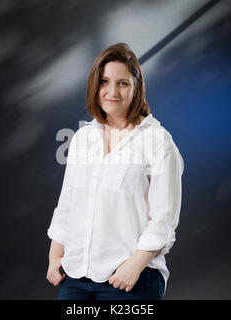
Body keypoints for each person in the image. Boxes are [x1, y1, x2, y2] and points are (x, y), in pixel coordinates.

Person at [46, 43, 184, 300]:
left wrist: (135, 265)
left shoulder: (157, 141)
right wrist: (55, 255)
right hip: (75, 277)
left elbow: (164, 218)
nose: (112, 92)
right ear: (94, 86)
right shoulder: (82, 138)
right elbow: (67, 205)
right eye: (105, 82)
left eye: (123, 83)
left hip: (130, 279)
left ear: (137, 87)